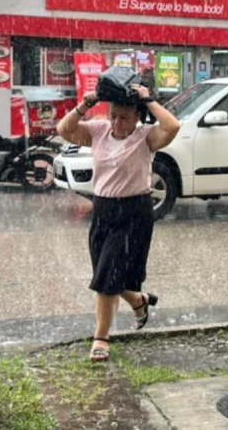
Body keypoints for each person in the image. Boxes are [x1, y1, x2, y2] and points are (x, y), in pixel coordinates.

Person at [56, 83, 181, 362]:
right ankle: (139, 301)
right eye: (113, 115)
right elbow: (64, 130)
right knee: (106, 274)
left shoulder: (146, 136)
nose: (117, 122)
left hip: (134, 212)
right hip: (103, 210)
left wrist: (148, 99)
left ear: (137, 116)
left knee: (106, 279)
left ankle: (101, 338)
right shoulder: (99, 131)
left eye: (124, 116)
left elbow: (172, 126)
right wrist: (85, 106)